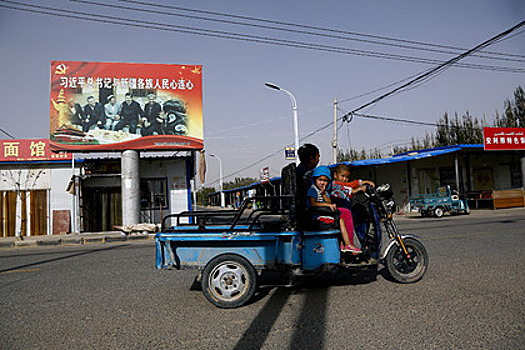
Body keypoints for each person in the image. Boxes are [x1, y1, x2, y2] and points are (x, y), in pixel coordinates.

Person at [306, 166, 361, 253]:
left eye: (325, 180)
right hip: (317, 214)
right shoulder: (313, 190)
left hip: (324, 212)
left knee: (341, 220)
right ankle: (349, 243)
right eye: (320, 180)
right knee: (345, 214)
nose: (322, 183)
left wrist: (324, 194)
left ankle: (345, 245)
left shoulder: (324, 191)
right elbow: (313, 204)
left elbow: (329, 201)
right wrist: (326, 205)